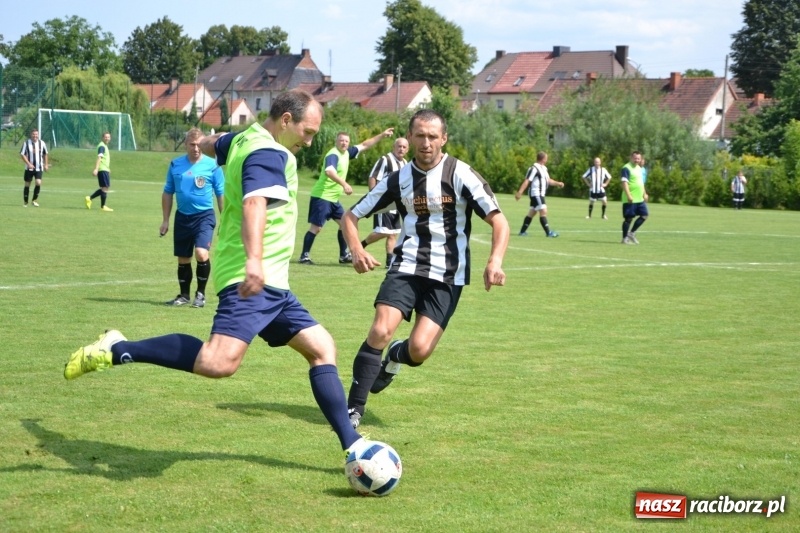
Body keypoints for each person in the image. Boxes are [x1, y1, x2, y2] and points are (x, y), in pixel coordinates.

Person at [64, 89, 368, 455]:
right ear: (286, 121)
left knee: (322, 348)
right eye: (308, 132)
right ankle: (119, 348)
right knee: (218, 361)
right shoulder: (269, 152)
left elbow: (213, 143)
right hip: (253, 276)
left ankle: (354, 447)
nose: (310, 141)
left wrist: (205, 141)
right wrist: (254, 259)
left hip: (271, 282)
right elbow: (255, 202)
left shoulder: (244, 138)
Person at [341, 109, 510, 428]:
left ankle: (394, 357)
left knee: (418, 351)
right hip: (406, 265)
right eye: (420, 135)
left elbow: (498, 220)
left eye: (433, 136)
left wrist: (495, 260)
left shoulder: (461, 174)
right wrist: (356, 248)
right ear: (410, 137)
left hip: (448, 274)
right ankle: (353, 410)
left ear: (443, 139)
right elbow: (350, 216)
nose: (426, 142)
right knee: (380, 329)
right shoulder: (400, 179)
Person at [298, 127, 395, 265]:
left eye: (346, 141)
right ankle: (304, 256)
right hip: (322, 196)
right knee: (316, 228)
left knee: (345, 224)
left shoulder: (346, 153)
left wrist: (382, 135)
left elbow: (365, 145)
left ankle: (344, 255)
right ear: (336, 142)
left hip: (333, 199)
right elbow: (329, 171)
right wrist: (344, 184)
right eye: (341, 141)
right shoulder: (333, 154)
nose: (344, 143)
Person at [161, 127, 225, 308]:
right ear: (186, 145)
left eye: (198, 145)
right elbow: (167, 192)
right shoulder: (175, 165)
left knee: (201, 252)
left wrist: (225, 219)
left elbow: (220, 194)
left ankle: (201, 294)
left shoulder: (213, 166)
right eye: (192, 145)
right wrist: (165, 220)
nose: (195, 149)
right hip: (182, 217)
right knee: (183, 258)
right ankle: (184, 295)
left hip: (204, 216)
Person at [359, 137, 409, 267]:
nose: (401, 149)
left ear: (407, 149)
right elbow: (373, 176)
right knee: (384, 231)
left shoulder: (405, 163)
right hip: (383, 203)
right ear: (394, 147)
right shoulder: (385, 160)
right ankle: (360, 245)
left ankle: (389, 262)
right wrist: (374, 198)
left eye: (404, 147)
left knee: (393, 234)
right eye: (399, 146)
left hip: (397, 204)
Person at [514, 151, 563, 237]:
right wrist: (520, 192)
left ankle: (522, 232)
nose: (547, 160)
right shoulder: (533, 168)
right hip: (536, 193)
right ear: (543, 159)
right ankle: (548, 233)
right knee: (543, 210)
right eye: (546, 158)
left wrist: (558, 183)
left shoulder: (544, 169)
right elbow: (527, 181)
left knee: (532, 212)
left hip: (540, 194)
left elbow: (548, 180)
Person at [620, 151, 648, 244]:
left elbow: (641, 183)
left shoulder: (639, 168)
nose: (637, 160)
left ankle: (631, 233)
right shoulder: (626, 168)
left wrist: (645, 193)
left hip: (639, 198)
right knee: (628, 219)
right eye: (635, 158)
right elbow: (624, 183)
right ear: (631, 158)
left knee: (644, 215)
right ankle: (624, 238)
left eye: (638, 158)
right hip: (630, 199)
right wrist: (628, 195)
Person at [20, 128, 49, 207]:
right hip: (29, 168)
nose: (35, 136)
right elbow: (22, 154)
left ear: (38, 135)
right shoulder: (26, 143)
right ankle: (25, 202)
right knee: (27, 184)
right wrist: (29, 164)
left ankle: (34, 200)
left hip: (39, 168)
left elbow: (45, 154)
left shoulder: (42, 143)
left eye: (36, 134)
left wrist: (46, 164)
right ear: (31, 135)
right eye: (33, 134)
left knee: (38, 182)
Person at [86, 131, 114, 211]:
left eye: (108, 137)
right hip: (102, 169)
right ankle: (103, 206)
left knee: (104, 187)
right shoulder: (102, 146)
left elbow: (104, 159)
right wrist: (96, 169)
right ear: (102, 137)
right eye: (105, 137)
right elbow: (99, 157)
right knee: (105, 187)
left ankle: (90, 198)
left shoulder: (104, 146)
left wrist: (108, 168)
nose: (107, 138)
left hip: (104, 169)